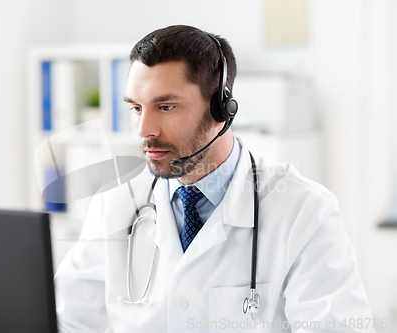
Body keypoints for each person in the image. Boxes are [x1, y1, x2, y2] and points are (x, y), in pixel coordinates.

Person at [54, 25, 374, 332]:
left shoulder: (304, 211)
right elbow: (62, 320)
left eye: (165, 107)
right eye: (137, 108)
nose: (143, 130)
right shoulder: (115, 207)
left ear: (222, 108)